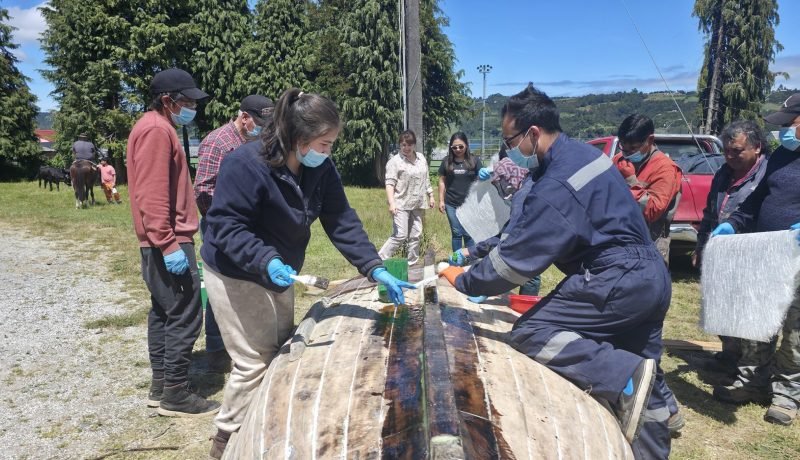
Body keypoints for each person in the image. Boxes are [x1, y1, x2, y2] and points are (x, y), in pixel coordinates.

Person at [439, 84, 673, 458]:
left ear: (533, 133)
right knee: (646, 386)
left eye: (510, 139)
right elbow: (515, 234)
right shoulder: (584, 155)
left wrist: (466, 280)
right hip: (653, 277)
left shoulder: (556, 185)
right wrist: (473, 251)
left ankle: (621, 376)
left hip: (616, 278)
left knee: (532, 332)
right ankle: (659, 430)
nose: (509, 149)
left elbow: (516, 260)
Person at [199, 89, 415, 459]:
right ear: (299, 140)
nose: (328, 151)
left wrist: (373, 267)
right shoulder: (245, 164)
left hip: (279, 271)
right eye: (324, 143)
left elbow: (341, 220)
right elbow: (224, 226)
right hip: (235, 269)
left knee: (280, 348)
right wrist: (264, 259)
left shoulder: (320, 167)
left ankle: (264, 423)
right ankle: (227, 439)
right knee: (253, 361)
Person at [126, 68, 219, 418]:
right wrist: (168, 244)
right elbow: (151, 194)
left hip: (162, 240)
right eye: (187, 101)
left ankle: (161, 385)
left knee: (164, 313)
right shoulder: (155, 130)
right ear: (168, 100)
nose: (191, 107)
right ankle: (176, 394)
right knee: (185, 314)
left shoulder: (158, 127)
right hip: (168, 241)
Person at [711, 93, 800, 426]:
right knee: (758, 321)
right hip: (768, 253)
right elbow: (756, 201)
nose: (783, 133)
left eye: (789, 125)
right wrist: (732, 224)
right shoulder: (780, 157)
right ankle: (753, 382)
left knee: (794, 330)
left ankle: (788, 395)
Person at [193, 94, 275, 373]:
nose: (263, 129)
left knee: (246, 284)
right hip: (221, 226)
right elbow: (203, 189)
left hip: (249, 227)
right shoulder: (218, 141)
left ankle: (245, 340)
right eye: (259, 122)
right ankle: (217, 348)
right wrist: (228, 215)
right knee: (223, 285)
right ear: (243, 117)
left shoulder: (253, 143)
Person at [694, 120, 769, 377]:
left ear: (756, 147)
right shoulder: (722, 174)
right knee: (721, 306)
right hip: (720, 251)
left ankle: (748, 367)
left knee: (747, 310)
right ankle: (728, 354)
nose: (730, 156)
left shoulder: (768, 175)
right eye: (726, 150)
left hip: (752, 253)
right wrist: (701, 244)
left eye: (737, 151)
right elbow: (709, 213)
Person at [451, 146, 541, 299]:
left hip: (538, 246)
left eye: (502, 184)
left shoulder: (522, 197)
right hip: (535, 241)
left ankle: (525, 308)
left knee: (529, 274)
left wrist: (469, 252)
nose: (502, 189)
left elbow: (505, 239)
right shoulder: (526, 184)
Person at [613, 114, 682, 264]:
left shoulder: (665, 169)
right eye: (623, 147)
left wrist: (631, 181)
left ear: (650, 140)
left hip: (649, 246)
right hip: (618, 241)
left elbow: (653, 211)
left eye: (633, 148)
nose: (627, 154)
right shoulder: (618, 160)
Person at [377, 130, 435, 266]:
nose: (406, 148)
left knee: (416, 234)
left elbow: (426, 178)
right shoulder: (394, 162)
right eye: (403, 145)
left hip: (418, 203)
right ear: (399, 146)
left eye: (409, 145)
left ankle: (412, 263)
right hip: (401, 203)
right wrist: (392, 203)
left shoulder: (421, 158)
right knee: (400, 235)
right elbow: (390, 184)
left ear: (414, 145)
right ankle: (379, 259)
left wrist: (431, 195)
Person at [438, 132, 482, 251]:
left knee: (468, 233)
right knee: (457, 232)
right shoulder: (447, 161)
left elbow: (482, 182)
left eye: (461, 146)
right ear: (451, 148)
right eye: (454, 147)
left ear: (466, 145)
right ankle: (457, 261)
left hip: (470, 204)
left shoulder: (475, 161)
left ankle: (471, 260)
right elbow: (442, 181)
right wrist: (441, 200)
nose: (458, 149)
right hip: (451, 203)